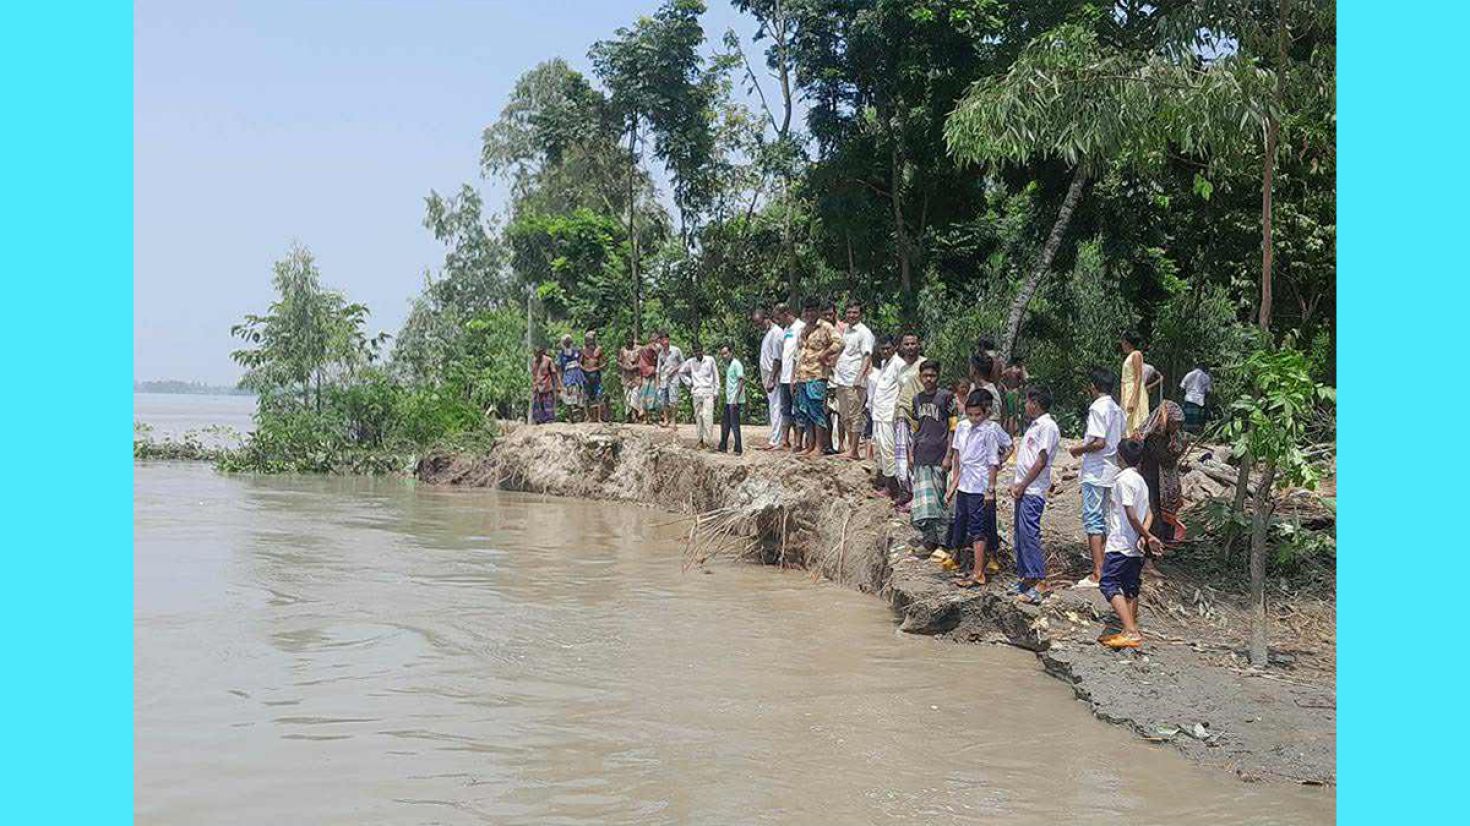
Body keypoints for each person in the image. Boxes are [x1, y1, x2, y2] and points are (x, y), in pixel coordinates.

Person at [1099, 438, 1163, 650]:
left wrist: (1145, 535)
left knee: (1108, 583)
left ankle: (1131, 631)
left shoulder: (1122, 481)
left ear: (1120, 456)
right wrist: (1145, 536)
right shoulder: (1141, 482)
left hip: (1121, 543)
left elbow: (1130, 513)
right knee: (1130, 586)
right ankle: (1129, 628)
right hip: (1135, 545)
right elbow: (1150, 513)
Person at [946, 391, 1011, 588]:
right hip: (965, 483)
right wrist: (953, 485)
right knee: (962, 521)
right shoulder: (963, 427)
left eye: (978, 415)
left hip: (980, 484)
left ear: (985, 413)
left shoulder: (989, 431)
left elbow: (993, 460)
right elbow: (958, 458)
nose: (974, 419)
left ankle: (978, 573)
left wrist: (990, 488)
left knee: (979, 528)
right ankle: (967, 562)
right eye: (971, 414)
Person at [1068, 369, 1125, 588]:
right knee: (1108, 519)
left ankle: (1098, 571)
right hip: (1111, 470)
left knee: (1093, 520)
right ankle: (1110, 568)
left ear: (1093, 386)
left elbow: (1099, 442)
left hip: (1097, 471)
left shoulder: (1098, 408)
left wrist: (1078, 449)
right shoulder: (1117, 410)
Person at [1009, 386, 1060, 604]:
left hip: (1032, 489)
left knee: (1029, 534)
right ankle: (1026, 578)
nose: (1025, 406)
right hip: (1024, 489)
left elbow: (1041, 460)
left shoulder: (1047, 426)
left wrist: (1023, 484)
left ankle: (1039, 580)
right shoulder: (1035, 426)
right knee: (1020, 534)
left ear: (1035, 403)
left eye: (1028, 402)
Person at [908, 361, 954, 553]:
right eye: (925, 376)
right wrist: (911, 453)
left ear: (938, 377)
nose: (928, 379)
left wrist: (949, 455)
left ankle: (943, 541)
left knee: (939, 499)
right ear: (920, 377)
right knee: (924, 501)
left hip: (939, 454)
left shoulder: (946, 398)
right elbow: (915, 429)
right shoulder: (917, 400)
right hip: (921, 455)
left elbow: (953, 429)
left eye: (932, 376)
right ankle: (929, 539)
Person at [872, 333, 921, 501]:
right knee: (888, 451)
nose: (885, 351)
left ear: (894, 348)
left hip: (906, 415)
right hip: (890, 413)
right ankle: (897, 488)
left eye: (888, 348)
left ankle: (894, 488)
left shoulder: (900, 364)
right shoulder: (891, 364)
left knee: (895, 452)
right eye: (906, 344)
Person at [793, 299, 842, 457]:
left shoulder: (826, 327)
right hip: (802, 376)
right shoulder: (803, 329)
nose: (809, 314)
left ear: (818, 312)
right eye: (806, 311)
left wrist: (825, 355)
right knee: (805, 410)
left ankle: (819, 447)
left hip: (817, 374)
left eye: (812, 310)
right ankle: (810, 444)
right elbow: (798, 354)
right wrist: (795, 377)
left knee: (817, 409)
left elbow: (840, 343)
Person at [1139, 400, 1189, 544]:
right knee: (1154, 509)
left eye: (1179, 424)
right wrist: (1180, 451)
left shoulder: (1172, 435)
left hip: (1163, 478)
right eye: (1174, 423)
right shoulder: (1154, 436)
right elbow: (1166, 459)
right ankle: (1154, 541)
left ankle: (1166, 538)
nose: (1177, 427)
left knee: (1165, 508)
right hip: (1151, 476)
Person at [832, 302, 875, 460]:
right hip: (842, 379)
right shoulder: (847, 331)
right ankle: (851, 449)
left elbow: (867, 355)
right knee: (845, 415)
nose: (851, 315)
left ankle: (854, 450)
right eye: (849, 312)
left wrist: (859, 376)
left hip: (854, 380)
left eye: (855, 312)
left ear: (860, 314)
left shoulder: (864, 332)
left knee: (855, 415)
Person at [756, 307, 787, 450]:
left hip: (774, 375)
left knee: (776, 407)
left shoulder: (776, 333)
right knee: (773, 406)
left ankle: (776, 440)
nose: (759, 326)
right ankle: (775, 437)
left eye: (760, 323)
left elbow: (777, 358)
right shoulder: (769, 333)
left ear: (767, 318)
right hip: (768, 374)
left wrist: (772, 378)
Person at [679, 342, 719, 449]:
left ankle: (708, 441)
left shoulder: (710, 360)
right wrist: (689, 382)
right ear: (694, 352)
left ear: (703, 350)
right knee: (698, 417)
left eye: (699, 351)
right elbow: (681, 371)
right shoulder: (691, 362)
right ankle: (700, 440)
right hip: (696, 392)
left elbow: (716, 376)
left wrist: (716, 391)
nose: (698, 353)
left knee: (707, 416)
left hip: (708, 391)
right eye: (696, 352)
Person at [778, 304, 806, 450]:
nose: (779, 320)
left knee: (798, 409)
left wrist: (794, 376)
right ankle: (784, 440)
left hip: (795, 376)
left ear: (787, 313)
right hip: (784, 376)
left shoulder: (801, 327)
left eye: (779, 317)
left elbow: (799, 354)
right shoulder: (786, 330)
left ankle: (798, 441)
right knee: (785, 409)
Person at [865, 339, 892, 461]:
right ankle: (869, 457)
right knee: (872, 433)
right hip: (874, 407)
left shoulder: (895, 366)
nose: (884, 351)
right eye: (882, 349)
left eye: (887, 348)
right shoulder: (882, 366)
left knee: (885, 440)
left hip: (886, 409)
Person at [1120, 331, 1150, 436]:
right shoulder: (1129, 356)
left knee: (1135, 418)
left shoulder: (1136, 354)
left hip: (1133, 389)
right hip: (1127, 389)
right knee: (1128, 419)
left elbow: (1138, 377)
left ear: (1127, 342)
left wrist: (1133, 399)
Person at [718, 343, 746, 455]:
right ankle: (723, 445)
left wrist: (736, 398)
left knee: (734, 424)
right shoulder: (729, 365)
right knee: (725, 423)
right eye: (722, 354)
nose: (724, 356)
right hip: (729, 399)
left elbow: (741, 380)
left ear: (731, 352)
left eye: (726, 353)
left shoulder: (736, 364)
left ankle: (738, 448)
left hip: (735, 400)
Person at [657, 332, 685, 430]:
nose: (664, 342)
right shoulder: (660, 354)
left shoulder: (676, 350)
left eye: (666, 339)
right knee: (663, 401)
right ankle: (666, 420)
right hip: (664, 379)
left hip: (674, 379)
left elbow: (683, 363)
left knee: (673, 400)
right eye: (662, 340)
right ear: (660, 341)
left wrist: (674, 370)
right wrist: (657, 383)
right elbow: (658, 369)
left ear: (669, 339)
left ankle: (673, 421)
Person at [556, 334, 585, 421]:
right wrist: (559, 383)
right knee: (568, 397)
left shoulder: (576, 352)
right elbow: (559, 370)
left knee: (580, 396)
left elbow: (582, 360)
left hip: (578, 377)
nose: (567, 343)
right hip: (568, 378)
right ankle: (571, 417)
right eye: (566, 342)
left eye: (569, 341)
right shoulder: (561, 355)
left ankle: (582, 417)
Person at [1179, 363, 1213, 434]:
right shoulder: (1206, 377)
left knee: (1187, 419)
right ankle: (1196, 434)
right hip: (1199, 401)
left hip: (1188, 399)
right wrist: (1205, 399)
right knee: (1198, 420)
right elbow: (1208, 391)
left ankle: (1186, 435)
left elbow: (1182, 388)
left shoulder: (1189, 374)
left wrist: (1183, 397)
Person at [582, 330, 606, 423]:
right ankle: (589, 416)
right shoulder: (583, 350)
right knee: (587, 396)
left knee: (598, 395)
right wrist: (585, 369)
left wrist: (597, 368)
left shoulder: (599, 349)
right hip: (586, 376)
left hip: (596, 375)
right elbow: (580, 363)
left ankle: (599, 418)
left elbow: (604, 362)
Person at [618, 334, 643, 423]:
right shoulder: (623, 350)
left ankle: (635, 415)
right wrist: (624, 367)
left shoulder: (639, 349)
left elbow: (642, 361)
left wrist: (636, 366)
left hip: (636, 375)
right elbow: (619, 362)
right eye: (627, 339)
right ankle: (628, 416)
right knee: (627, 396)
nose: (629, 341)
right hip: (626, 376)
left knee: (635, 396)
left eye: (630, 339)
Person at [1000, 357, 1028, 437]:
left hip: (1008, 392)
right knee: (1013, 415)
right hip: (1015, 392)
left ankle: (1006, 433)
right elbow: (1025, 380)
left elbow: (1000, 378)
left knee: (1007, 415)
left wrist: (1005, 388)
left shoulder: (1008, 370)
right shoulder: (1018, 371)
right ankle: (1012, 435)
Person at [531, 345, 558, 425]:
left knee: (548, 404)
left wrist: (556, 385)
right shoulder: (534, 361)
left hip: (547, 385)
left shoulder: (548, 360)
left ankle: (549, 420)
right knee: (538, 406)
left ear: (542, 352)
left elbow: (553, 373)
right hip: (537, 386)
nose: (537, 355)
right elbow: (534, 374)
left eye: (538, 353)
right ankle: (539, 421)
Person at [637, 333, 661, 419]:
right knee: (647, 395)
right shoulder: (650, 348)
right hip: (649, 373)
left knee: (649, 396)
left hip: (650, 373)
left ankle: (648, 417)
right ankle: (646, 417)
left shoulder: (643, 349)